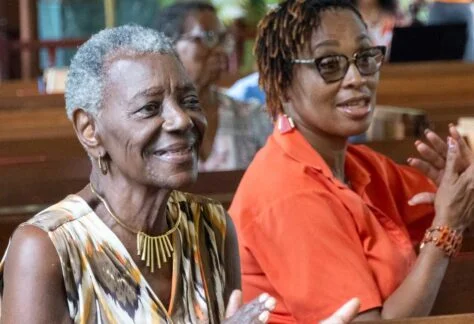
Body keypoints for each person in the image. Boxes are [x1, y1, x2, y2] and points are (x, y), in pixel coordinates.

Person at [0, 25, 278, 323]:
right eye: (149, 108)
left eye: (189, 101)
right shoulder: (47, 249)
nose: (181, 120)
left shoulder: (212, 228)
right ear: (89, 130)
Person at [229, 0, 474, 322]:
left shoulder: (360, 165)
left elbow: (452, 207)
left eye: (364, 58)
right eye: (329, 64)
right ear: (283, 82)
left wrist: (462, 185)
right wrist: (447, 229)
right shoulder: (289, 192)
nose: (357, 78)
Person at [154, 2, 272, 172]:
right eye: (208, 37)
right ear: (170, 45)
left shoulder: (251, 117)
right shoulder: (151, 122)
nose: (221, 50)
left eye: (224, 39)